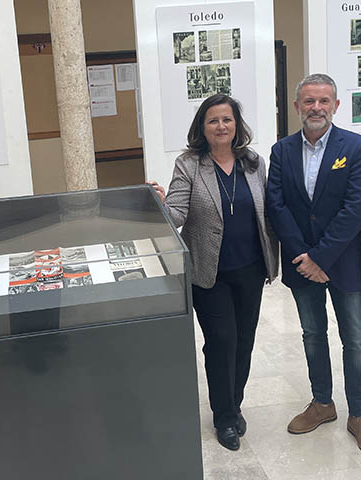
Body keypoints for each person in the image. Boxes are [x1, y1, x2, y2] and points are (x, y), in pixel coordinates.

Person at [149, 94, 278, 451]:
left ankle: (234, 403)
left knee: (245, 342)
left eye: (227, 119)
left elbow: (268, 212)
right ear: (202, 128)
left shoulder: (254, 163)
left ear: (236, 124)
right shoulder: (189, 164)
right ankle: (224, 417)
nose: (221, 126)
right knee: (222, 342)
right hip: (210, 273)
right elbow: (176, 214)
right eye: (213, 121)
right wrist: (159, 204)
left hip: (251, 269)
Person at [265, 73, 361, 458]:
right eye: (309, 101)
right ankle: (322, 403)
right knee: (312, 334)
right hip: (302, 265)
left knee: (357, 340)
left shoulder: (356, 146)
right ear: (297, 106)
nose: (317, 107)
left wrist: (321, 257)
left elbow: (355, 208)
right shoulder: (281, 150)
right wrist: (304, 257)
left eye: (324, 101)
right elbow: (277, 206)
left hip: (343, 263)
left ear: (336, 105)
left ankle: (359, 416)